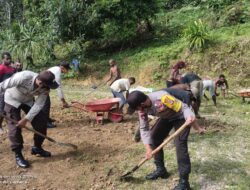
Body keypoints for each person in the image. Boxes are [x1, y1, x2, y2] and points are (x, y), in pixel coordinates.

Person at [127, 90, 198, 190]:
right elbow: (144, 128)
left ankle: (184, 182)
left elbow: (184, 108)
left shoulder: (162, 98)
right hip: (167, 116)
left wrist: (189, 117)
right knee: (154, 138)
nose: (137, 110)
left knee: (180, 145)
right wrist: (148, 148)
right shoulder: (142, 109)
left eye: (136, 108)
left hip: (181, 116)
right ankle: (161, 170)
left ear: (142, 104)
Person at [0, 70, 59, 168]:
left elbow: (39, 104)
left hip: (28, 101)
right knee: (15, 129)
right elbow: (2, 85)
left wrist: (26, 119)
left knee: (41, 122)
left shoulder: (45, 89)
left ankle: (37, 148)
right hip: (11, 100)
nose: (48, 89)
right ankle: (18, 154)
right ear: (40, 82)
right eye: (47, 86)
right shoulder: (23, 77)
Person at [44, 61, 71, 128]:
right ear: (62, 68)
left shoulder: (56, 69)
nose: (67, 71)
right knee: (45, 104)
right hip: (42, 86)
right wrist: (63, 102)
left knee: (47, 103)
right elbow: (58, 88)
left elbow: (57, 85)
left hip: (45, 85)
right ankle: (45, 123)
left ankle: (47, 119)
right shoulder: (57, 73)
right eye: (67, 69)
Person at [0, 52, 15, 134]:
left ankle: (10, 126)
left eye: (10, 59)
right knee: (1, 110)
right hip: (2, 92)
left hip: (10, 92)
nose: (9, 60)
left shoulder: (10, 68)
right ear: (3, 59)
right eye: (7, 59)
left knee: (8, 110)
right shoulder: (1, 68)